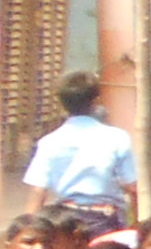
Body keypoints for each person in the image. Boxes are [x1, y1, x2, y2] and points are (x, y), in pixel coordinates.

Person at [18, 71, 136, 222]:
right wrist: (138, 224)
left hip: (66, 221)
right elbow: (132, 187)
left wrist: (28, 225)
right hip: (106, 219)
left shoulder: (49, 142)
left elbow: (38, 191)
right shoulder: (117, 138)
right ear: (96, 101)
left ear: (62, 104)